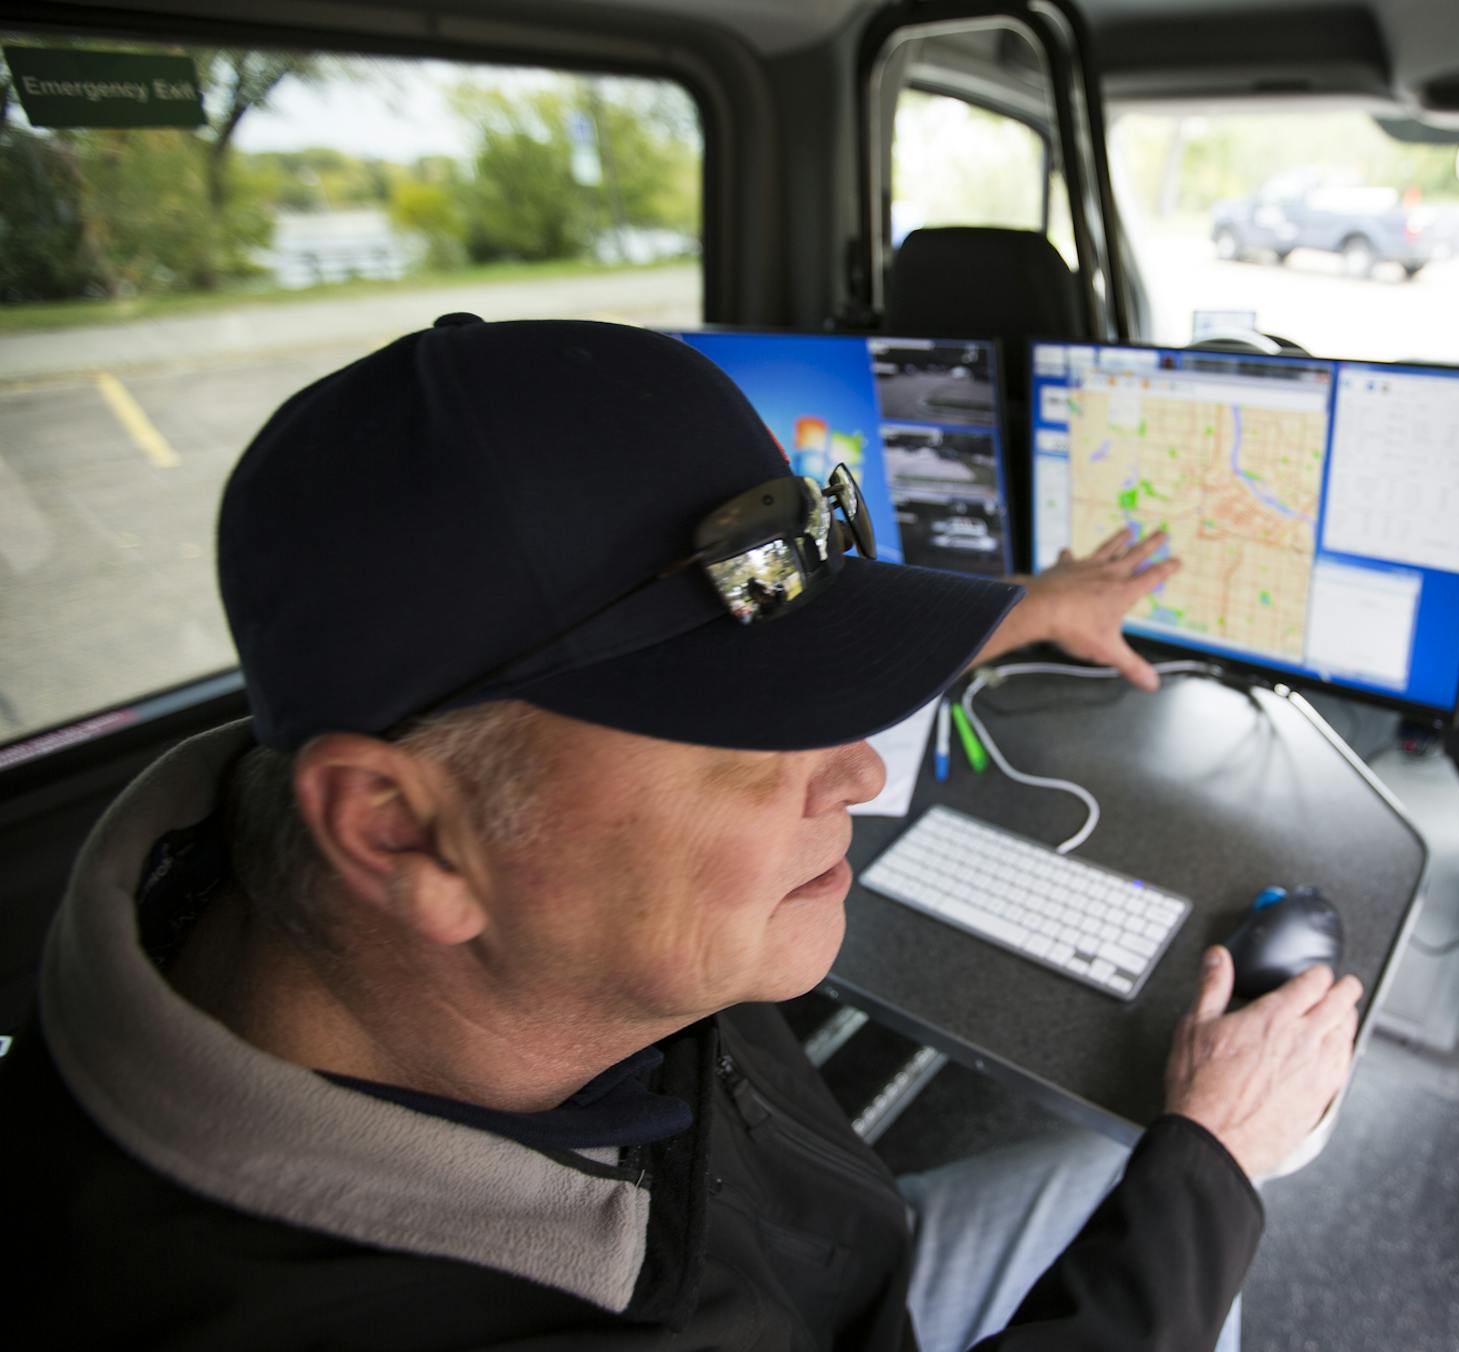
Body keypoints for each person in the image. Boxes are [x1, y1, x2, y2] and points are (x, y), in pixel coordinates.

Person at [5, 315, 1363, 1349]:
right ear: (399, 834)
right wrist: (1218, 1160)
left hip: (830, 1266)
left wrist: (1022, 609)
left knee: (1109, 1163)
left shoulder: (367, 873)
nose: (852, 773)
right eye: (750, 730)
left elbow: (723, 613)